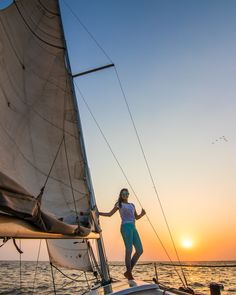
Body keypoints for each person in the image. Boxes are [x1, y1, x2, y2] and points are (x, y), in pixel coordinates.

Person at [99, 188, 146, 280]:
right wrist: (98, 213)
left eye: (126, 193)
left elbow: (136, 217)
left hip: (133, 227)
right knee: (129, 249)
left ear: (128, 194)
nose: (125, 195)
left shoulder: (132, 205)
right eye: (123, 194)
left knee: (140, 250)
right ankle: (129, 274)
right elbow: (109, 214)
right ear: (121, 195)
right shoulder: (119, 204)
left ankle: (128, 272)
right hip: (125, 227)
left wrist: (142, 214)